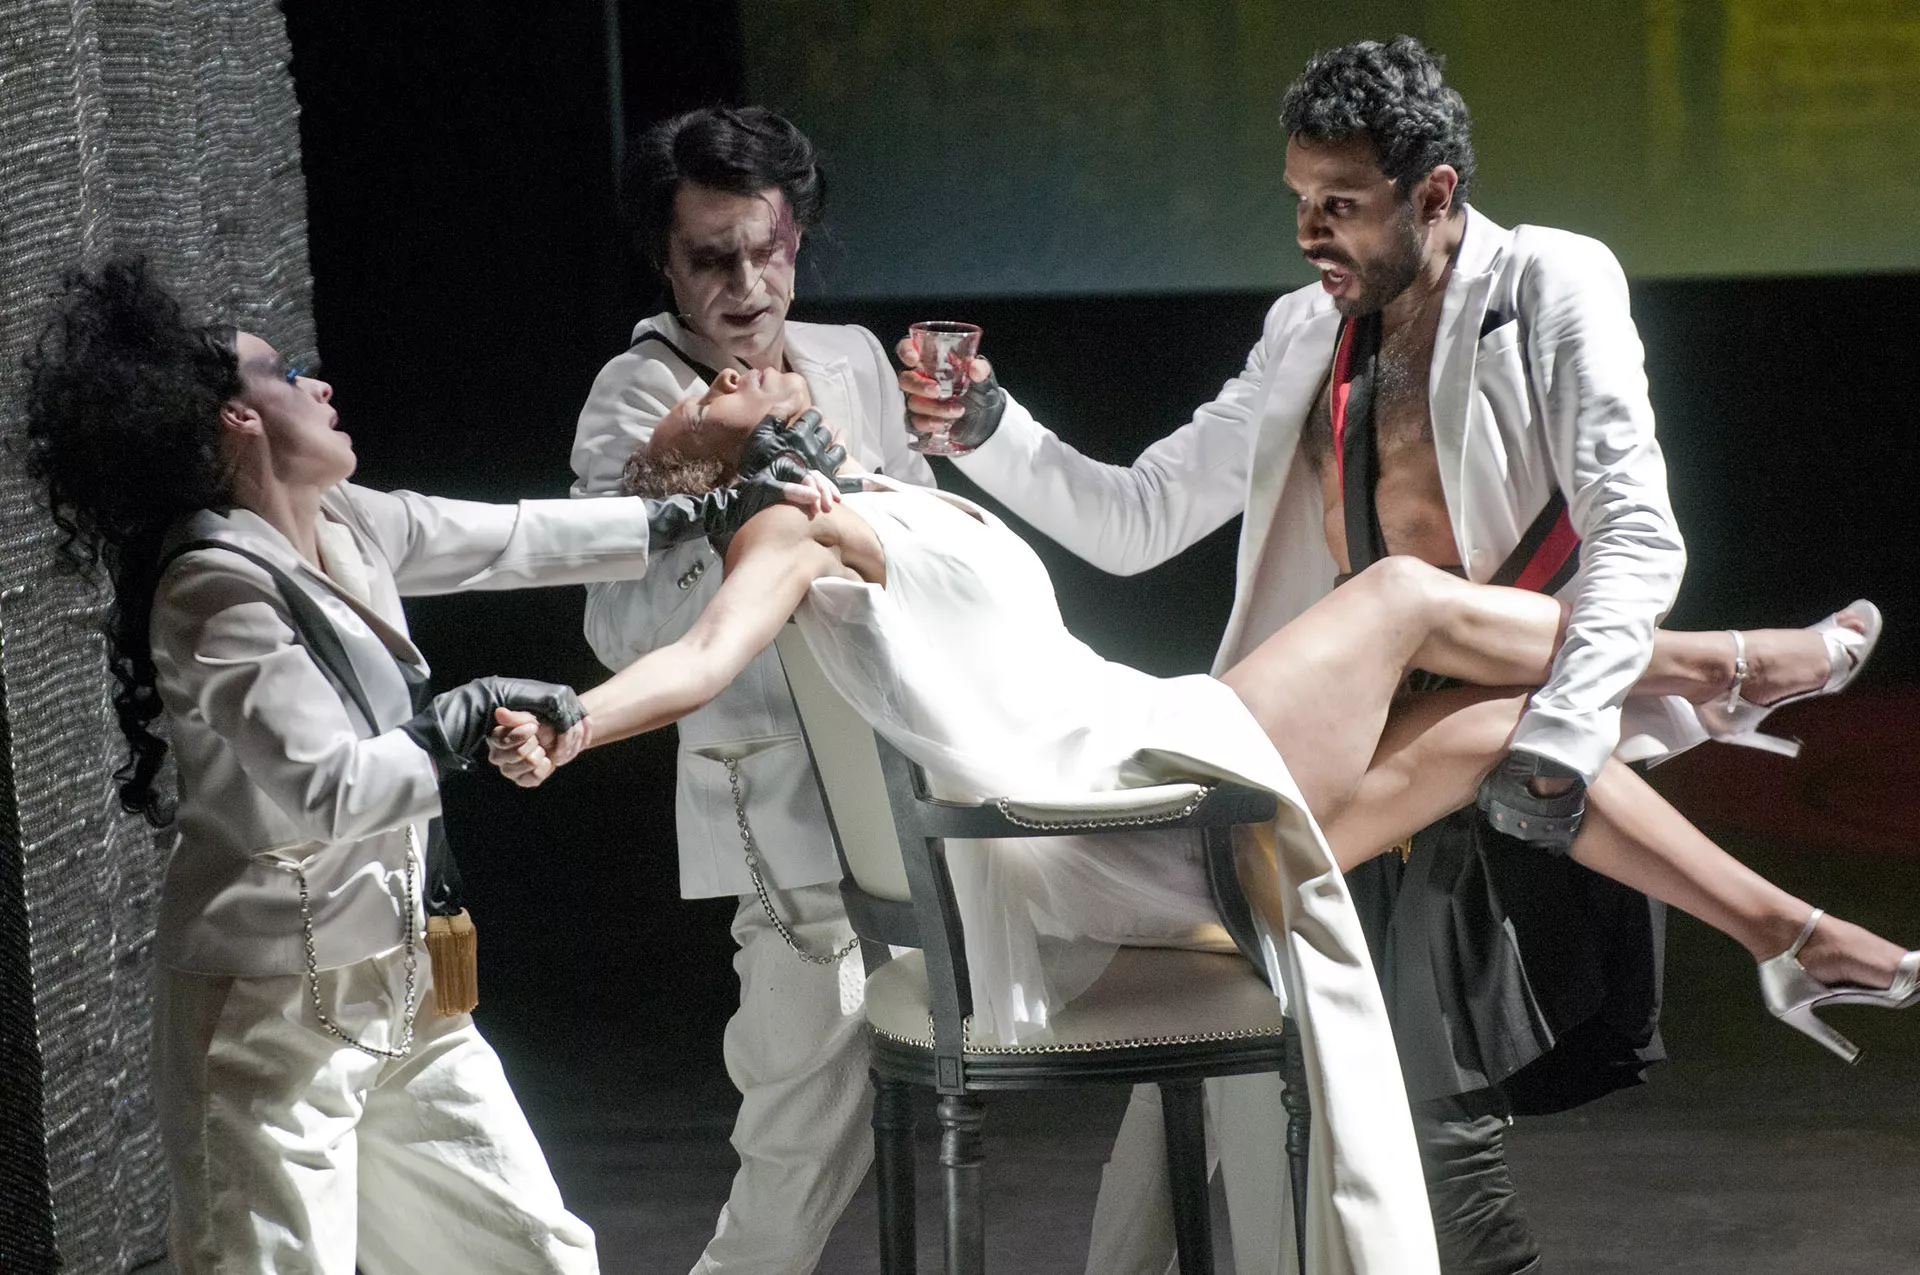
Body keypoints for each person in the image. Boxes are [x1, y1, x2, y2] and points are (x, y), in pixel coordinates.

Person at [494, 374, 1915, 1274]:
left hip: (1149, 773)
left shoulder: (871, 496)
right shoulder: (788, 526)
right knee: (1402, 599)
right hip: (1125, 807)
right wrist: (575, 721)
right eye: (706, 400)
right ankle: (1735, 665)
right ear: (713, 465)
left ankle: (1787, 937)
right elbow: (703, 658)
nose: (731, 372)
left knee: (1492, 730)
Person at [896, 35, 1881, 1275]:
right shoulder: (1302, 332)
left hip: (1511, 746)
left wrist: (1567, 732)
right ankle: (1737, 691)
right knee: (1277, 1124)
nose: (1311, 232)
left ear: (1436, 193)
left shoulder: (1548, 284)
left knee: (1418, 1134)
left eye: (1342, 204)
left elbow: (1635, 533)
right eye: (1300, 201)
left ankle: (1749, 769)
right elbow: (1138, 518)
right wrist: (990, 429)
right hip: (1364, 745)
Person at [17, 257, 832, 1275]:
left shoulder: (347, 521)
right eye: (287, 375)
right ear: (236, 418)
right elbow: (325, 790)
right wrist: (465, 716)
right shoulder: (213, 590)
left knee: (532, 1257)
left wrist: (704, 511)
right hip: (274, 1011)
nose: (320, 385)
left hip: (406, 985)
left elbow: (513, 539)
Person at [569, 105, 934, 1275]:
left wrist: (860, 505)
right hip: (774, 794)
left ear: (797, 234)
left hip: (904, 768)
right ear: (665, 262)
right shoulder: (637, 395)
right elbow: (615, 626)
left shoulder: (851, 359)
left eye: (766, 250)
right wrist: (716, 495)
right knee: (801, 1112)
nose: (746, 285)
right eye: (711, 259)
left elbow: (924, 549)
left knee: (912, 1098)